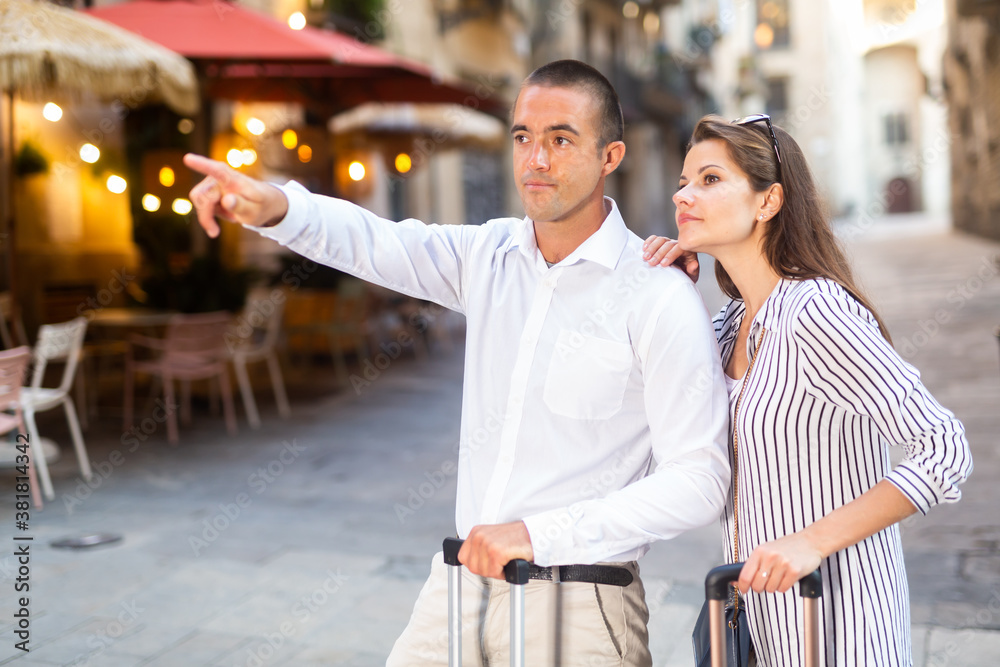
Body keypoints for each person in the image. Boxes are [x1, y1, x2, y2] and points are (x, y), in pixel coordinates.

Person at [184, 60, 731, 666]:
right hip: (459, 589)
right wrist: (274, 205)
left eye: (560, 139)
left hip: (579, 606)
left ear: (610, 156)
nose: (536, 160)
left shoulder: (658, 294)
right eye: (523, 137)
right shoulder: (488, 253)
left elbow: (700, 481)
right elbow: (378, 242)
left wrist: (537, 534)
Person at [643, 114, 972, 665]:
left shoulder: (816, 311)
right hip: (756, 627)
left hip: (840, 626)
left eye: (710, 179)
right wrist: (661, 293)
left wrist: (810, 541)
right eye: (683, 181)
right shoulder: (728, 325)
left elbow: (944, 449)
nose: (684, 195)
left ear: (769, 201)